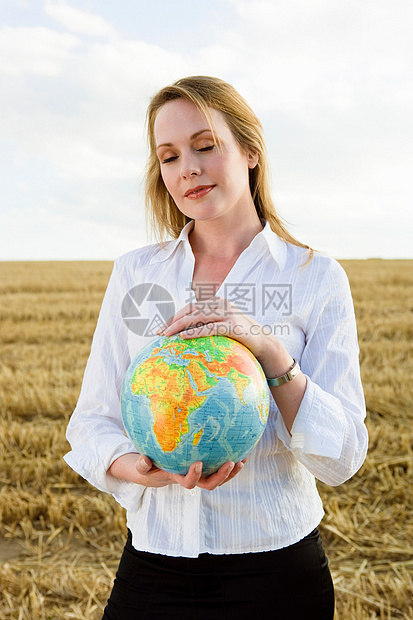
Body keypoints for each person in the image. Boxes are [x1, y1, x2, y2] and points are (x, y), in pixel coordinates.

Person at [64, 75, 368, 619]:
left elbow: (342, 458)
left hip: (277, 572)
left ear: (250, 151)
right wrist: (138, 466)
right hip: (155, 563)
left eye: (206, 147)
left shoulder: (315, 277)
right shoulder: (136, 274)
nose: (189, 169)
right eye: (170, 156)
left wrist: (269, 352)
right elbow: (91, 422)